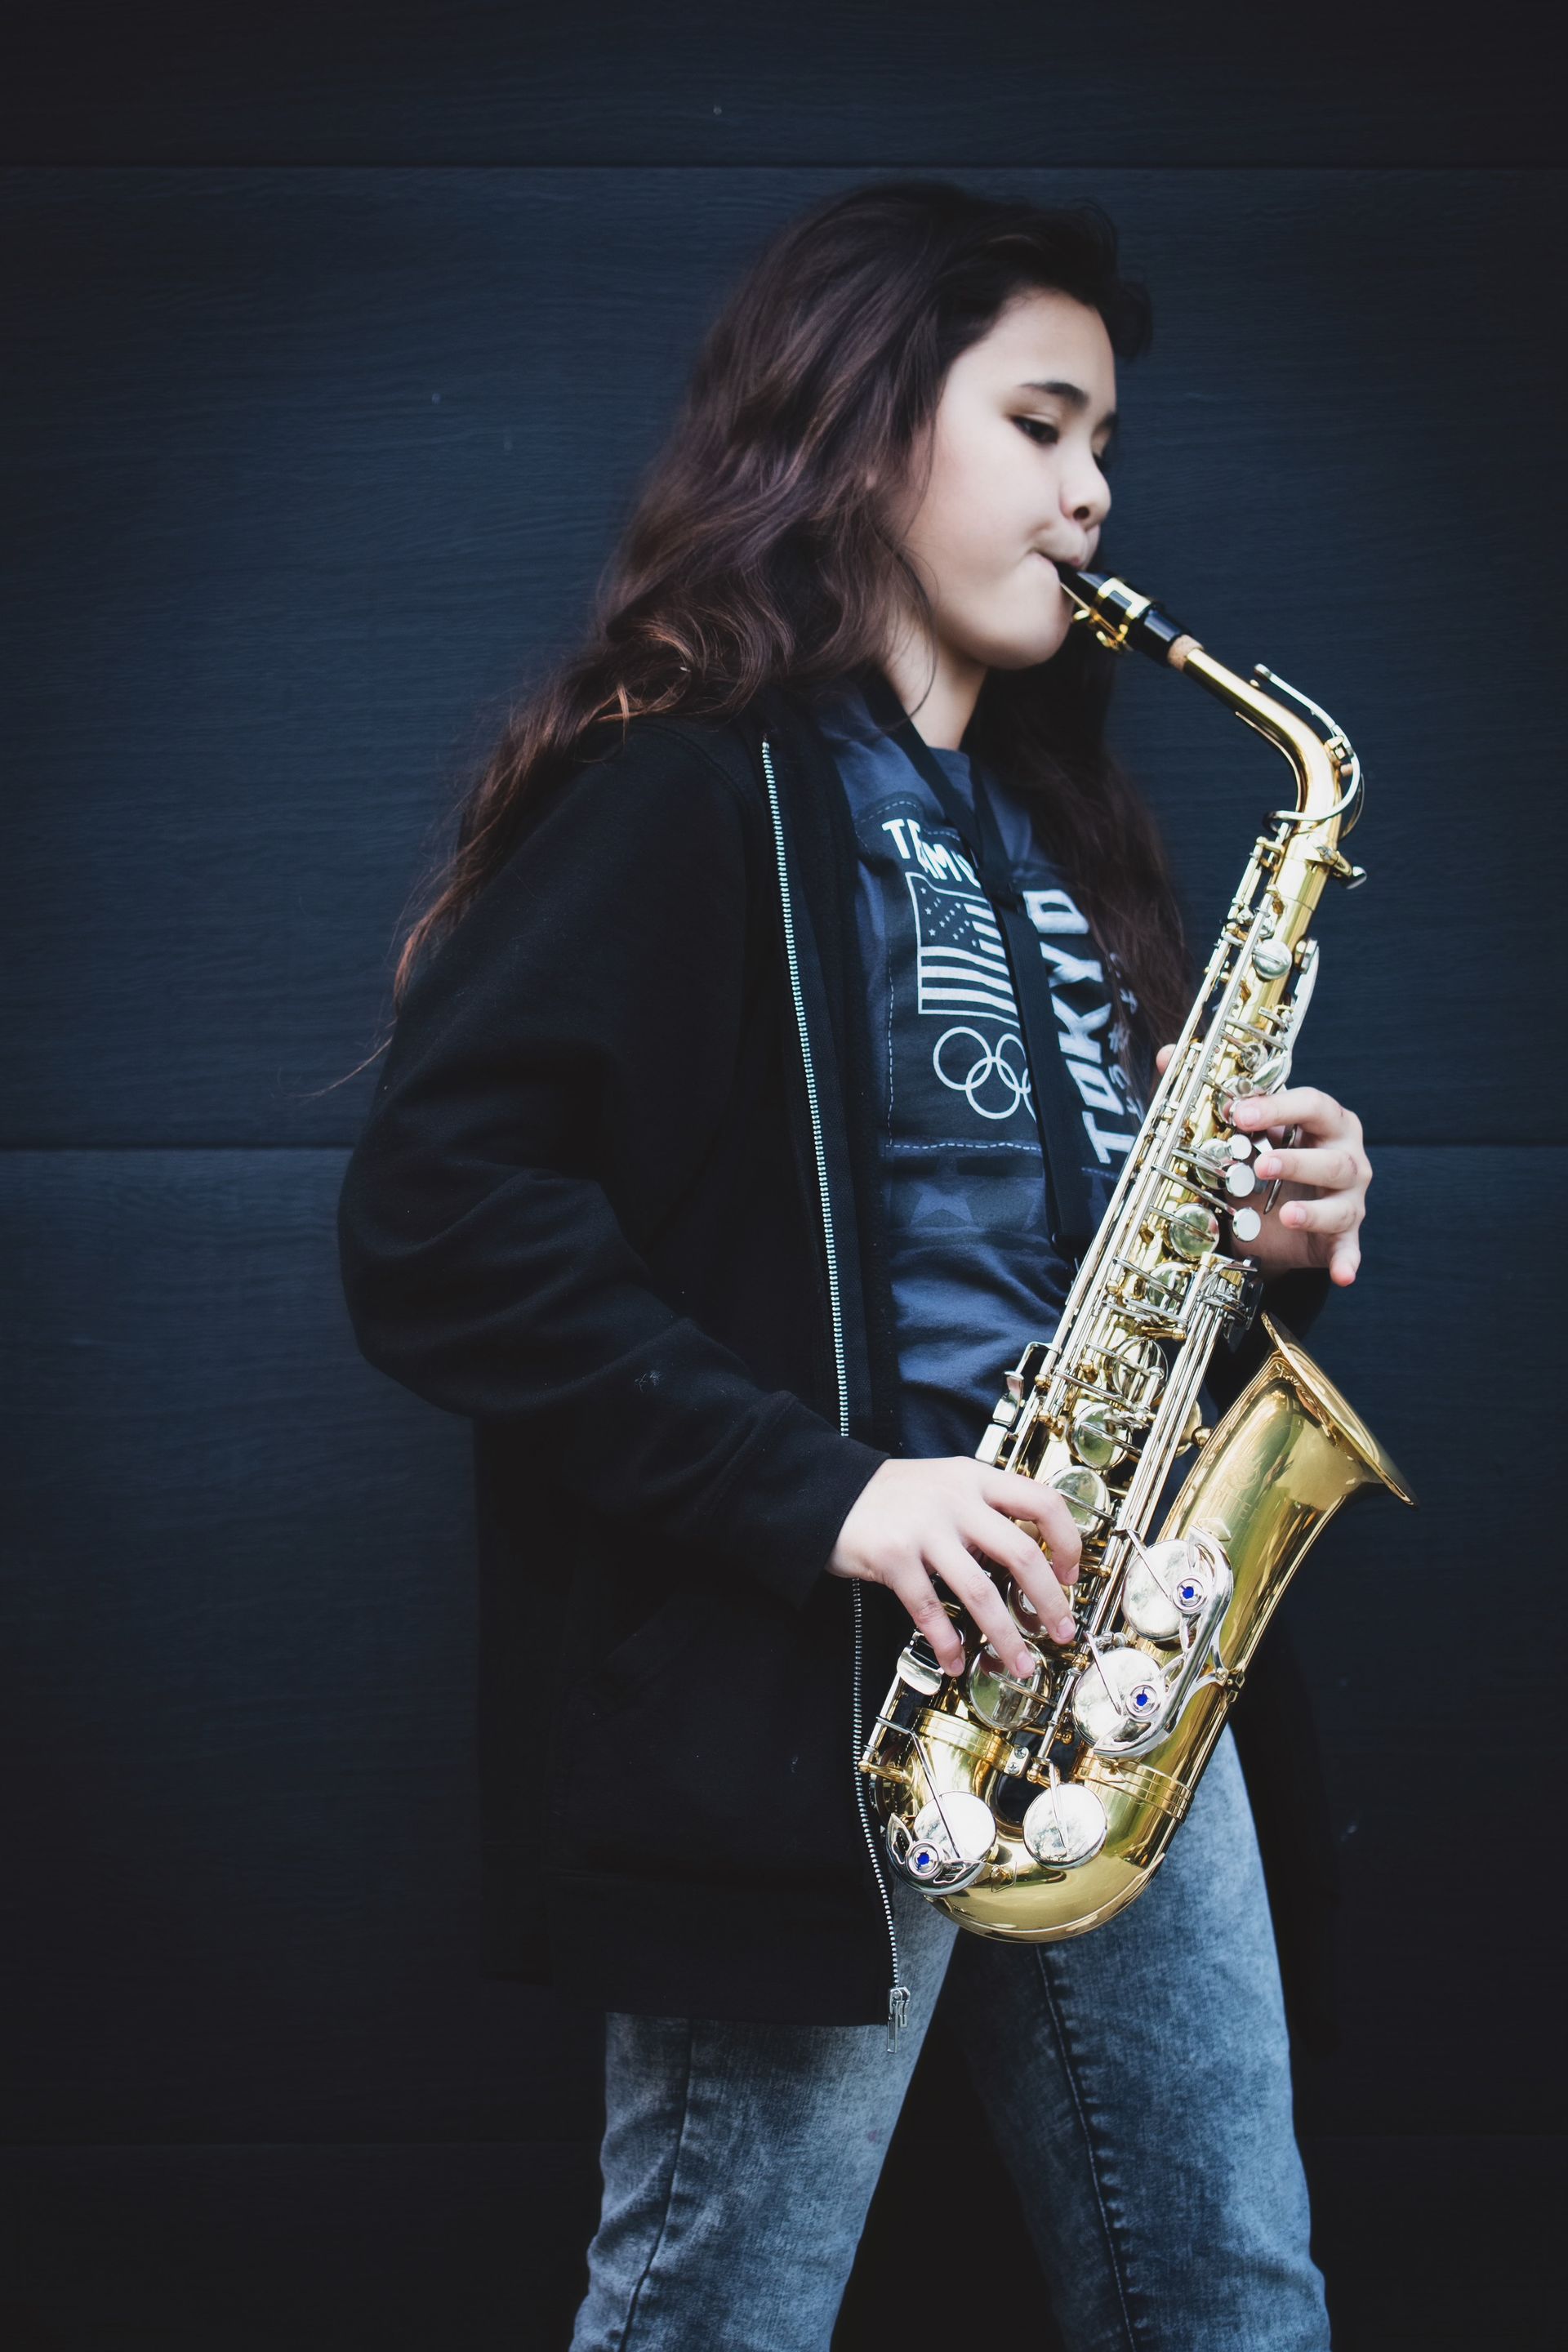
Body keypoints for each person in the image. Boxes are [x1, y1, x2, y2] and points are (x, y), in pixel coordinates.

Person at [336, 181, 1372, 2351]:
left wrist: (1270, 1239)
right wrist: (840, 1494)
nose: (1096, 492)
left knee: (1235, 2300)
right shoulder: (683, 795)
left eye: (1108, 443)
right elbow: (440, 1221)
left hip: (1104, 1667)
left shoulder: (1062, 839)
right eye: (1043, 422)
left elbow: (1071, 1281)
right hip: (822, 1699)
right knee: (722, 2320)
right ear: (873, 418)